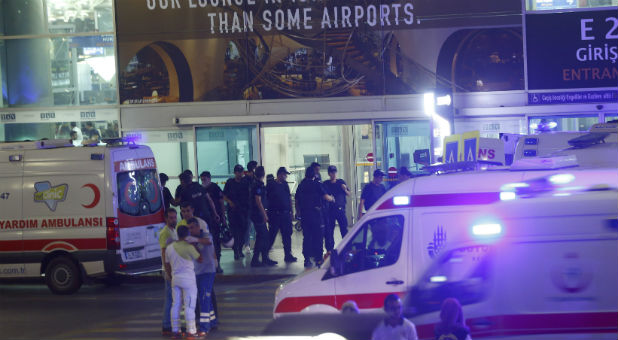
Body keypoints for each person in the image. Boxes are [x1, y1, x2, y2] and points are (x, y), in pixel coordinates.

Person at [164, 225, 203, 340]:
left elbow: (166, 263)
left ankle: (175, 331)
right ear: (187, 235)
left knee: (175, 304)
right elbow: (200, 259)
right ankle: (191, 331)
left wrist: (171, 275)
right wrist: (195, 245)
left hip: (175, 279)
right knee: (189, 306)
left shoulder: (169, 248)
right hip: (188, 280)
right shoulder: (189, 247)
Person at [295, 166, 334, 268]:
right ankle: (319, 259)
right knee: (318, 237)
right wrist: (332, 199)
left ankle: (307, 259)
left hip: (305, 215)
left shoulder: (301, 185)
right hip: (316, 215)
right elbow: (325, 196)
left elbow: (297, 200)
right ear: (314, 175)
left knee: (307, 237)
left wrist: (298, 212)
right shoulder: (316, 184)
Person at [187, 218, 217, 337]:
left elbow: (208, 241)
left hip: (208, 272)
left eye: (193, 227)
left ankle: (204, 327)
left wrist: (194, 240)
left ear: (198, 227)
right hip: (198, 273)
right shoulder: (191, 240)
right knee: (204, 297)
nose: (191, 230)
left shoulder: (205, 235)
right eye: (189, 228)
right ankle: (213, 321)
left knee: (204, 298)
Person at [266, 167, 297, 263]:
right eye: (284, 174)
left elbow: (288, 198)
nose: (286, 176)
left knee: (287, 235)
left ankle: (288, 255)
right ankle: (265, 256)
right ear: (279, 174)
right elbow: (266, 198)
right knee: (272, 235)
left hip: (285, 215)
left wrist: (291, 212)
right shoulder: (271, 184)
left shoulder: (285, 185)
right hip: (274, 215)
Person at [249, 166, 277, 267]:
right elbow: (258, 201)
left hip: (257, 214)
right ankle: (256, 259)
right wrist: (264, 214)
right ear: (263, 174)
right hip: (258, 215)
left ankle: (264, 258)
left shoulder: (256, 184)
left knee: (262, 237)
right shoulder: (258, 185)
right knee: (263, 236)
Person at [200, 171, 225, 273]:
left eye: (205, 179)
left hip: (215, 219)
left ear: (209, 178)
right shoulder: (200, 189)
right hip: (205, 220)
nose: (203, 181)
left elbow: (221, 202)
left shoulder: (215, 188)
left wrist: (222, 216)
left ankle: (217, 264)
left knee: (216, 241)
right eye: (202, 179)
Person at [224, 164, 250, 260]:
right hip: (233, 212)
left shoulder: (246, 182)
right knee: (235, 233)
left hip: (243, 211)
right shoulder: (230, 183)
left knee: (244, 232)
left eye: (241, 172)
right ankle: (236, 251)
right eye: (238, 172)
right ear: (235, 172)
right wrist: (230, 202)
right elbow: (224, 195)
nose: (240, 174)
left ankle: (240, 248)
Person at [159, 208, 178, 337]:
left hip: (174, 269)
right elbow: (164, 253)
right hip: (169, 270)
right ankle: (166, 325)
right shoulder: (165, 233)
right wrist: (168, 273)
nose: (173, 219)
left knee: (173, 299)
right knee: (170, 300)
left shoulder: (173, 231)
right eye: (171, 218)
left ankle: (170, 324)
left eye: (174, 217)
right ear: (166, 219)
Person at [323, 165, 350, 252]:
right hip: (330, 211)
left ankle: (346, 248)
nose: (333, 174)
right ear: (329, 173)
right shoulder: (326, 184)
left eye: (334, 172)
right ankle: (330, 249)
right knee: (329, 230)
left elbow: (349, 194)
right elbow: (322, 196)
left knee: (344, 229)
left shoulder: (341, 182)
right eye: (331, 172)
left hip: (340, 210)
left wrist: (345, 189)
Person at [243, 160, 259, 254]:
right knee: (248, 227)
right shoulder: (246, 180)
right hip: (248, 207)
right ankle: (247, 245)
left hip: (255, 207)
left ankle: (257, 245)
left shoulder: (256, 179)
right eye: (256, 167)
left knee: (257, 227)